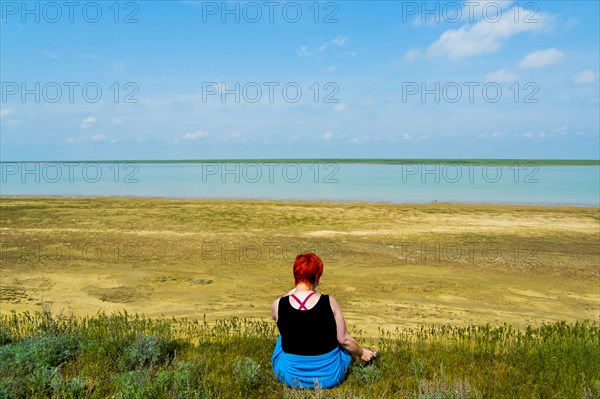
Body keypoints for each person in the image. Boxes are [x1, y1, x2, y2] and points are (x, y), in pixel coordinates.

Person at [271, 252, 378, 389]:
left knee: (282, 337)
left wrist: (296, 289)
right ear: (316, 277)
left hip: (291, 376)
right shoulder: (330, 302)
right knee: (341, 338)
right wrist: (363, 352)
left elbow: (276, 316)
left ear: (295, 275)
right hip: (329, 377)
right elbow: (344, 340)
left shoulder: (278, 304)